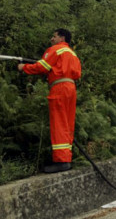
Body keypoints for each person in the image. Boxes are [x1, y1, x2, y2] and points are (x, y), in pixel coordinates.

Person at [18, 28, 81, 173]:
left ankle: (61, 161)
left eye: (54, 36)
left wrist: (24, 67)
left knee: (58, 123)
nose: (51, 39)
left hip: (59, 87)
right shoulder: (72, 54)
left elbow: (42, 66)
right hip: (71, 88)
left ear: (62, 38)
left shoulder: (55, 49)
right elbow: (75, 72)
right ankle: (66, 158)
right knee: (66, 123)